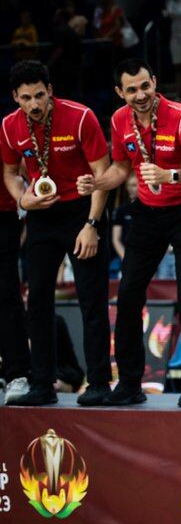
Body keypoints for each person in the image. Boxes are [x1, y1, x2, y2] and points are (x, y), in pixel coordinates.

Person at [95, 59, 181, 407]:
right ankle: (129, 383)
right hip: (146, 213)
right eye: (131, 90)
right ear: (120, 92)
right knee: (127, 295)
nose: (140, 95)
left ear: (154, 81)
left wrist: (168, 176)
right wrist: (96, 183)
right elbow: (119, 168)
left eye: (145, 86)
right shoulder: (117, 120)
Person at [1, 61, 112, 406]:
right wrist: (23, 198)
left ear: (50, 90)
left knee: (91, 300)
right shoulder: (8, 126)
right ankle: (42, 384)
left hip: (82, 212)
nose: (34, 104)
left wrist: (92, 225)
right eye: (26, 98)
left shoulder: (80, 117)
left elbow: (102, 174)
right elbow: (9, 172)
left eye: (39, 95)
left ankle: (98, 383)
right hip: (42, 217)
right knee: (37, 301)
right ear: (15, 98)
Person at [0, 116, 30, 404]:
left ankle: (17, 374)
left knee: (7, 296)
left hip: (3, 217)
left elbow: (19, 168)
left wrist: (23, 203)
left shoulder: (5, 129)